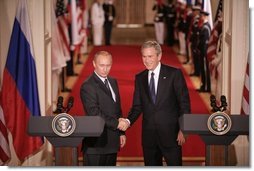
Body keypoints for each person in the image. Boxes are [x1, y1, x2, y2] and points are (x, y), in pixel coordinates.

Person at [118, 41, 191, 166]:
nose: (146, 60)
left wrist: (183, 129)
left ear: (159, 56)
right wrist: (127, 121)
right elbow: (137, 107)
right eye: (144, 56)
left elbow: (184, 103)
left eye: (150, 56)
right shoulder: (140, 78)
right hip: (149, 137)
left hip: (171, 135)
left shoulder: (174, 74)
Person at [80, 51, 126, 166]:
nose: (105, 69)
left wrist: (121, 132)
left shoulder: (113, 81)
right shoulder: (88, 86)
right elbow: (94, 113)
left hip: (112, 142)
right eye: (102, 65)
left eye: (108, 65)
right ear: (94, 64)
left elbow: (117, 108)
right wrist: (117, 124)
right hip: (96, 144)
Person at [196, 11, 211, 92]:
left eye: (202, 16)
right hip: (202, 51)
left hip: (204, 51)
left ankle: (205, 87)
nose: (201, 17)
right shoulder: (204, 26)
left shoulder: (206, 27)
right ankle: (203, 85)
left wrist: (200, 49)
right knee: (202, 69)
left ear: (205, 16)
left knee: (205, 69)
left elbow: (204, 41)